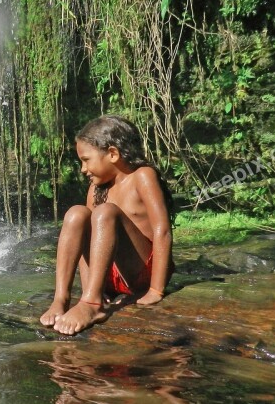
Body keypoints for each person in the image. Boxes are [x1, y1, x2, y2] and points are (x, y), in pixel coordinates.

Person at [40, 116, 175, 336]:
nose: (83, 169)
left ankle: (92, 303)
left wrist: (156, 290)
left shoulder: (142, 176)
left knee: (105, 212)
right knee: (76, 214)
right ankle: (63, 298)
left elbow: (163, 231)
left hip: (142, 272)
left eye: (86, 160)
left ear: (113, 154)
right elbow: (89, 239)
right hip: (110, 277)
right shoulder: (96, 189)